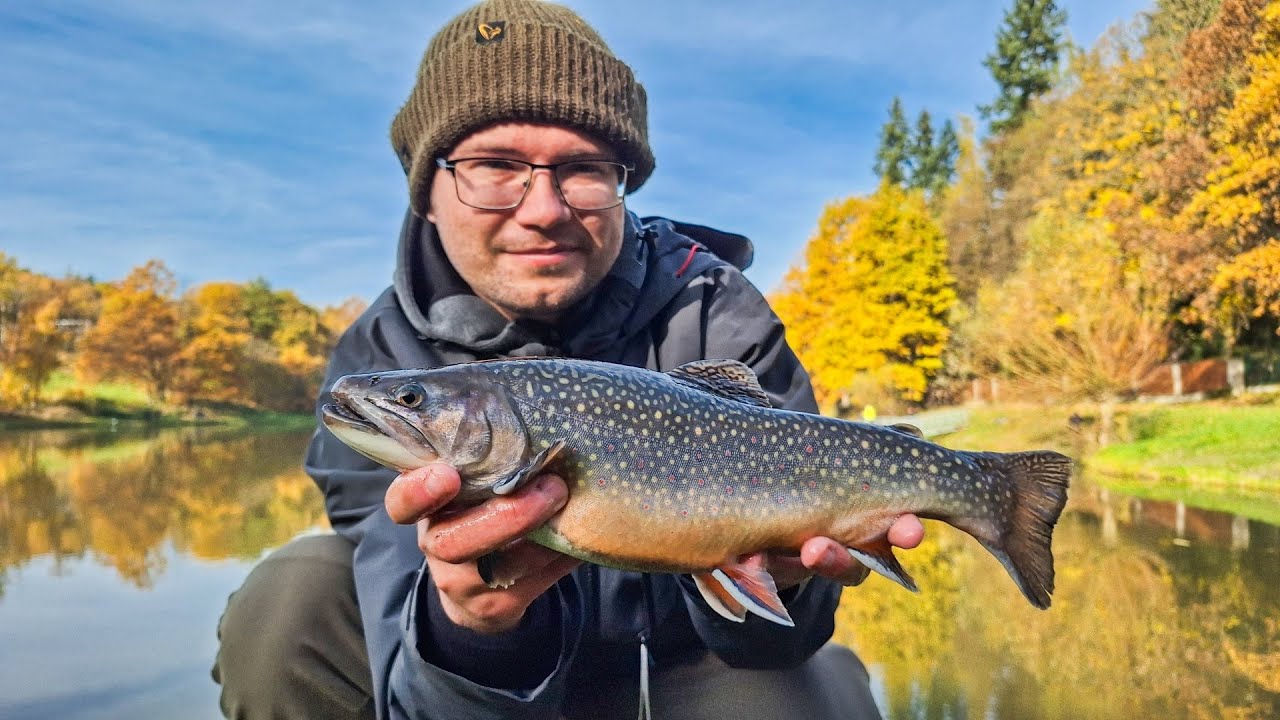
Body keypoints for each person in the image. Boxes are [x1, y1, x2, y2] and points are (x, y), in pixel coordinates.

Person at [212, 1, 924, 718]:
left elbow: (779, 642)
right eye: (495, 166)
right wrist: (473, 630)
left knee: (819, 683)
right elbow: (404, 647)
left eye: (582, 169)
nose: (544, 209)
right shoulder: (376, 360)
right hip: (471, 686)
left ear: (625, 183)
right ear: (427, 191)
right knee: (288, 604)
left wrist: (791, 581)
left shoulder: (713, 309)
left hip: (690, 658)